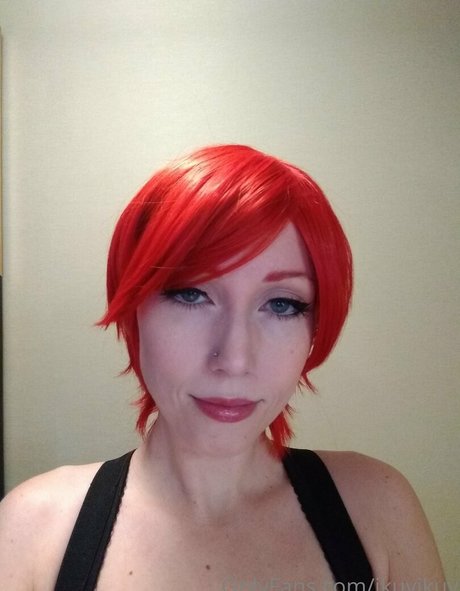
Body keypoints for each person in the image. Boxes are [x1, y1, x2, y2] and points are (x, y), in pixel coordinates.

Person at [0, 145, 445, 590]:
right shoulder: (31, 531)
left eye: (282, 304)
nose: (234, 360)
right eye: (191, 294)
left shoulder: (377, 509)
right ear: (133, 307)